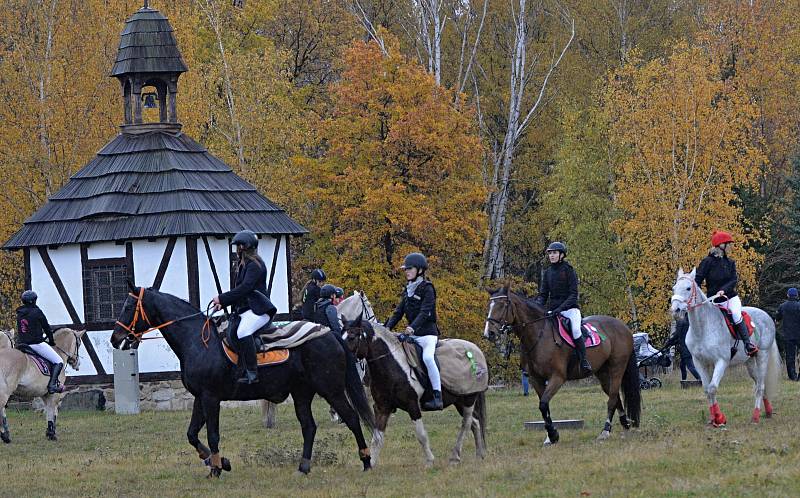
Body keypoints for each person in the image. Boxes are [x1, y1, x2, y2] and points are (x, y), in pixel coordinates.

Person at [213, 230, 276, 384]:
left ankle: (252, 373)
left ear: (244, 247)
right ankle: (240, 369)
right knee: (232, 331)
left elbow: (245, 288)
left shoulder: (255, 265)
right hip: (248, 310)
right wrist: (223, 304)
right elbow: (240, 292)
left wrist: (222, 297)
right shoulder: (244, 265)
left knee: (243, 332)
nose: (237, 250)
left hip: (259, 310)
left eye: (238, 246)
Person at [385, 252, 443, 410]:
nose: (406, 271)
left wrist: (411, 328)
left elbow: (425, 312)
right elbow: (398, 312)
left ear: (419, 270)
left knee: (428, 358)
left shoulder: (428, 288)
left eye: (409, 269)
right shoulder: (408, 290)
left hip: (428, 335)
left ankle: (437, 396)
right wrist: (386, 328)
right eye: (405, 269)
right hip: (414, 336)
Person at [695, 230, 757, 356]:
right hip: (712, 300)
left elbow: (734, 280)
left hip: (730, 298)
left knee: (735, 314)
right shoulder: (707, 262)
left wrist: (724, 290)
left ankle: (747, 344)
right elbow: (697, 280)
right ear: (720, 246)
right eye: (728, 244)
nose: (730, 247)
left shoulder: (730, 263)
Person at [534, 242, 592, 375]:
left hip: (570, 310)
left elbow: (573, 295)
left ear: (561, 255)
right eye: (550, 253)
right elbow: (543, 295)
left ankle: (584, 361)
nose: (551, 255)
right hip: (553, 311)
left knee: (576, 330)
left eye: (554, 253)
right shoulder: (547, 272)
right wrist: (537, 307)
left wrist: (560, 309)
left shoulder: (568, 270)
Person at [16, 290, 63, 393]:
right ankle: (52, 385)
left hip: (22, 345)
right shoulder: (37, 312)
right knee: (58, 361)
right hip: (36, 344)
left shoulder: (19, 313)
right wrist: (51, 341)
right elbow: (46, 328)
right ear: (34, 301)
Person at [665, 314, 700, 381]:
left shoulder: (681, 323)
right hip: (688, 347)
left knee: (690, 366)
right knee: (682, 365)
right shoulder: (687, 324)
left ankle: (700, 379)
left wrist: (669, 341)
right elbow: (680, 337)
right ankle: (683, 381)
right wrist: (671, 343)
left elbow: (677, 335)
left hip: (685, 349)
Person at [776, 287, 800, 380]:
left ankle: (792, 376)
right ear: (797, 295)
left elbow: (777, 320)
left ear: (788, 295)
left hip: (788, 335)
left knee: (790, 357)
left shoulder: (782, 306)